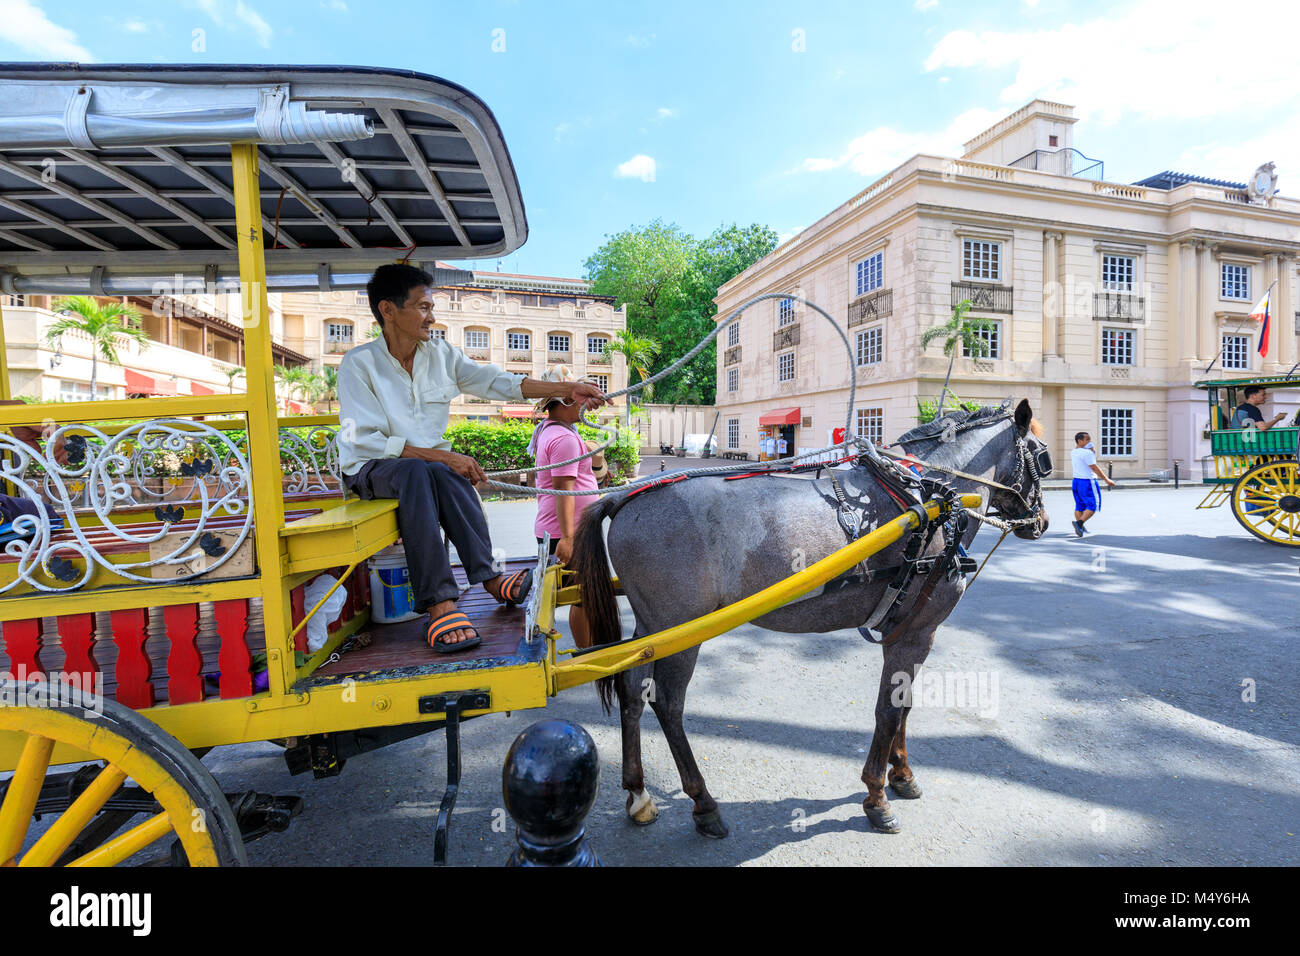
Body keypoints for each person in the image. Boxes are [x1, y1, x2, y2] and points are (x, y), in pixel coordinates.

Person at [337, 264, 608, 654]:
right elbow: (364, 441)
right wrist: (443, 458)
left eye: (432, 307)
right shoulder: (358, 365)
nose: (432, 316)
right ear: (388, 310)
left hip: (424, 469)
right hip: (370, 468)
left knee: (442, 472)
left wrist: (569, 388)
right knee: (425, 469)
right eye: (423, 307)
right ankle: (440, 604)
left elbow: (501, 382)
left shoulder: (441, 354)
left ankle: (491, 578)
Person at [527, 366, 600, 648]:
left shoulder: (553, 430)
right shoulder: (565, 439)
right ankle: (587, 652)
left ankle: (587, 648)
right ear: (566, 400)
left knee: (579, 594)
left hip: (560, 529)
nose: (583, 404)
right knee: (582, 596)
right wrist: (569, 539)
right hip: (567, 533)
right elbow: (563, 491)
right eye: (578, 397)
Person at [1070, 431, 1115, 537]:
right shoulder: (1087, 453)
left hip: (1076, 481)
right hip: (1087, 481)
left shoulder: (1073, 452)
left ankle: (1080, 526)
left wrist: (1091, 451)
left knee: (1079, 505)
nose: (1089, 441)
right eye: (1087, 439)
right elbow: (1094, 467)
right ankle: (1079, 523)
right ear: (1079, 441)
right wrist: (1106, 479)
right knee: (1092, 506)